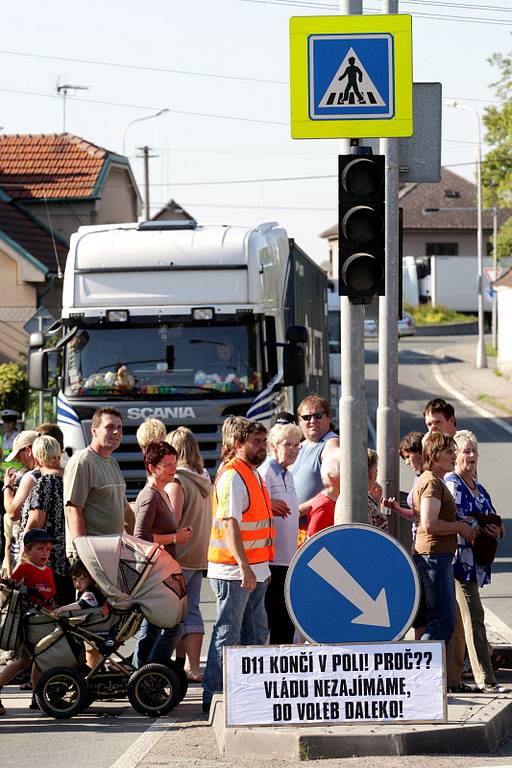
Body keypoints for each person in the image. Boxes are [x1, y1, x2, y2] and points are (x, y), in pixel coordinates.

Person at [202, 418, 274, 715]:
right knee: (228, 633)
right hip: (234, 570)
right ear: (238, 445)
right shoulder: (233, 476)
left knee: (255, 632)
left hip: (254, 569)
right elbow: (230, 524)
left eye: (262, 441)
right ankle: (215, 695)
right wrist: (245, 566)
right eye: (256, 442)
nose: (262, 447)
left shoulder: (251, 473)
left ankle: (248, 693)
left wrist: (261, 569)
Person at [444, 430, 506, 694]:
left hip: (475, 562)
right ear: (455, 455)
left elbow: (495, 520)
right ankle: (486, 680)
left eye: (473, 451)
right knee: (475, 616)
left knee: (460, 625)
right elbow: (453, 516)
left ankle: (453, 681)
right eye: (465, 451)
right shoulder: (453, 482)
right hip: (458, 563)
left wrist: (495, 530)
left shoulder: (478, 488)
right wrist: (478, 524)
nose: (470, 456)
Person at [412, 432, 477, 646]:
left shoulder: (432, 481)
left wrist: (462, 520)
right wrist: (460, 527)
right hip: (434, 556)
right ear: (434, 455)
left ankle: (433, 676)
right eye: (449, 452)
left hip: (435, 555)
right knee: (443, 620)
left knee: (439, 619)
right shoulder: (431, 483)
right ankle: (423, 672)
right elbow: (429, 523)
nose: (453, 455)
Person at [132, 441, 193, 668]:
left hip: (163, 570)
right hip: (155, 573)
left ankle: (143, 674)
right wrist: (175, 538)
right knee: (173, 625)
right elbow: (140, 537)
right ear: (151, 468)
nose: (172, 468)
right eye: (166, 465)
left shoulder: (162, 493)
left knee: (155, 626)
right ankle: (152, 673)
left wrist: (178, 534)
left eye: (174, 463)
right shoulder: (150, 496)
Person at [166, 427, 212, 682]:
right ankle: (186, 664)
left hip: (179, 555)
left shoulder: (178, 482)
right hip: (199, 555)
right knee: (191, 609)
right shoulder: (204, 478)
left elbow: (171, 521)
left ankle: (190, 666)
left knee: (175, 612)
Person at [0, 528, 57, 715]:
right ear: (27, 551)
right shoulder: (24, 568)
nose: (45, 553)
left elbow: (50, 597)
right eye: (40, 549)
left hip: (44, 622)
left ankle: (37, 695)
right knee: (24, 660)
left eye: (48, 549)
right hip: (28, 623)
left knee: (39, 660)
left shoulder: (48, 571)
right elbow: (9, 588)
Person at [64, 407, 135, 546]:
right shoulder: (82, 461)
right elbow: (73, 510)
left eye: (119, 428)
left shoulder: (112, 462)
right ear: (94, 430)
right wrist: (84, 552)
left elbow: (125, 510)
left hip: (112, 552)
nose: (116, 432)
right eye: (109, 427)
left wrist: (141, 543)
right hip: (91, 555)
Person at [258, 421, 301, 644]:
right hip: (271, 560)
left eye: (297, 445)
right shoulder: (265, 472)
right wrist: (268, 503)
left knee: (285, 619)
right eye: (288, 444)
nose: (293, 449)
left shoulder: (288, 474)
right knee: (274, 618)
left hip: (287, 559)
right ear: (273, 445)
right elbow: (255, 507)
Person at [20, 435, 74, 606]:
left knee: (44, 614)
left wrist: (23, 552)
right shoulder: (70, 479)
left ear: (36, 458)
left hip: (46, 560)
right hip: (68, 557)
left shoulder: (45, 482)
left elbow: (36, 522)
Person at [291, 395, 339, 517]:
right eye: (307, 417)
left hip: (317, 527)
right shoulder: (300, 446)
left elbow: (336, 487)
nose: (312, 421)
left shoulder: (332, 443)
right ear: (300, 421)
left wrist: (301, 509)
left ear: (328, 418)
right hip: (295, 527)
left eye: (318, 415)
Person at [2, 430, 39, 523]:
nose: (18, 461)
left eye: (18, 456)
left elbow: (12, 514)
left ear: (28, 450)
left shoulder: (32, 477)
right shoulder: (60, 469)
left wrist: (7, 486)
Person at [306, 448, 340, 537]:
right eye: (345, 471)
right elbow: (313, 542)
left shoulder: (337, 501)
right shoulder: (323, 505)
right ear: (331, 476)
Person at [367, 449, 389, 532]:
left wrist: (376, 501)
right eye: (376, 470)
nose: (377, 474)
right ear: (370, 473)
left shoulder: (368, 498)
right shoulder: (363, 500)